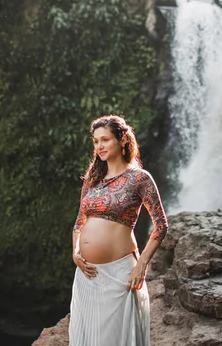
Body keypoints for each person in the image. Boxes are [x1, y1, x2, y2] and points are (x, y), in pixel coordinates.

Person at [69, 115, 169, 346]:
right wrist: (76, 251)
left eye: (105, 140)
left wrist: (142, 265)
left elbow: (161, 225)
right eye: (95, 141)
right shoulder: (93, 179)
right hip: (87, 273)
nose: (99, 146)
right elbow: (79, 222)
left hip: (121, 273)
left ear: (122, 140)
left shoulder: (139, 178)